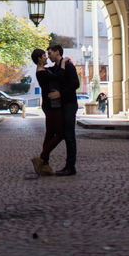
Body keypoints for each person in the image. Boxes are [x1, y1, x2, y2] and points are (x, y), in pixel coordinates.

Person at [30, 48, 65, 176]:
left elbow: (52, 71)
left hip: (48, 106)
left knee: (49, 134)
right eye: (44, 55)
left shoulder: (44, 71)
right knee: (61, 133)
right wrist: (62, 63)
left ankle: (45, 165)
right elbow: (58, 76)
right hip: (51, 107)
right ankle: (42, 158)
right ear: (39, 59)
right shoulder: (42, 73)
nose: (46, 57)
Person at [48, 44, 80, 176]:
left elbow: (75, 84)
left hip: (69, 104)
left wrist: (61, 94)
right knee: (64, 134)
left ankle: (70, 166)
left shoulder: (68, 65)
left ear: (57, 52)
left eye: (50, 53)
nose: (48, 56)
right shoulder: (58, 67)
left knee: (69, 135)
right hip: (62, 105)